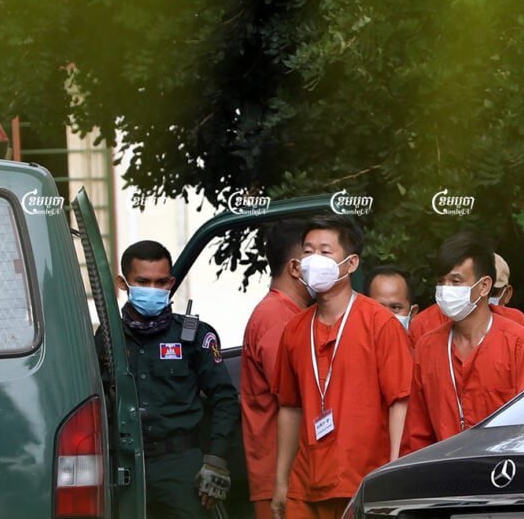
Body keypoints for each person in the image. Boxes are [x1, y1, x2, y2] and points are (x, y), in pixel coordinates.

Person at [271, 215, 412, 519]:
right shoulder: (294, 329)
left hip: (364, 481)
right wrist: (281, 482)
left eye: (325, 251)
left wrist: (393, 474)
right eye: (307, 252)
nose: (314, 260)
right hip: (305, 484)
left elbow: (400, 402)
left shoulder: (380, 323)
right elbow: (290, 408)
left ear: (351, 264)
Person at [104, 240, 239, 518]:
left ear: (171, 283)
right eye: (143, 282)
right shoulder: (107, 340)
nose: (153, 290)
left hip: (181, 464)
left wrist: (215, 459)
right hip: (126, 464)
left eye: (160, 282)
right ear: (122, 283)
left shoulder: (193, 335)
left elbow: (225, 399)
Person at [401, 232, 524, 454]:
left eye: (456, 281)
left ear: (484, 286)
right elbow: (417, 432)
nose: (445, 289)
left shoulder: (519, 343)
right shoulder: (427, 347)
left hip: (505, 473)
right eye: (441, 282)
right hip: (446, 475)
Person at [241, 220, 315, 519]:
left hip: (292, 477)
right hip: (282, 482)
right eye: (315, 254)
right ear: (296, 268)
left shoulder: (289, 313)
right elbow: (299, 396)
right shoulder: (277, 318)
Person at [409, 254, 524, 348]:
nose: (485, 298)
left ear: (507, 294)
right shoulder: (422, 324)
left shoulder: (517, 321)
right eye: (443, 282)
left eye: (493, 292)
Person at [365, 265, 418, 332]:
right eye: (378, 308)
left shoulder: (426, 342)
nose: (386, 317)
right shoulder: (351, 341)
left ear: (413, 313)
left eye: (395, 307)